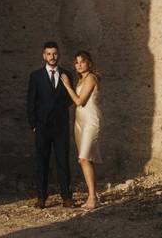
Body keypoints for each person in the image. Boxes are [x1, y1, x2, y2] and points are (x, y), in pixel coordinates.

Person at [26, 41, 74, 208]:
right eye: (48, 54)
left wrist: (58, 110)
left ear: (58, 54)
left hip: (61, 126)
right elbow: (31, 101)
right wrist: (34, 124)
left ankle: (67, 197)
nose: (52, 57)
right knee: (42, 162)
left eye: (54, 53)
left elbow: (70, 98)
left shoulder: (67, 74)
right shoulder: (36, 76)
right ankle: (41, 197)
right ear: (43, 55)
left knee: (63, 161)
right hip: (42, 127)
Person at [59, 50, 102, 210]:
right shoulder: (80, 79)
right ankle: (93, 195)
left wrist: (67, 85)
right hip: (79, 121)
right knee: (85, 159)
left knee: (84, 158)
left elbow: (79, 101)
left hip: (90, 119)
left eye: (82, 61)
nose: (79, 65)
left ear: (89, 63)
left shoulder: (91, 77)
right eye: (76, 62)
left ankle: (92, 198)